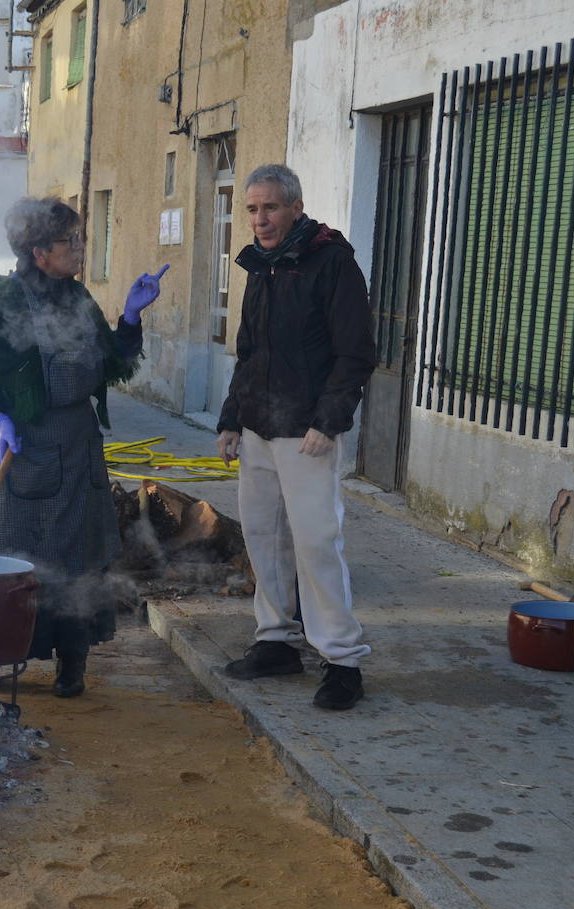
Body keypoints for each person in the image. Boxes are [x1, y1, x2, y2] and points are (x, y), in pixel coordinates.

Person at [0, 196, 167, 698]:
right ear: (39, 251)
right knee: (5, 559)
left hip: (76, 448)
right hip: (17, 450)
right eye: (71, 241)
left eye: (79, 238)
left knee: (76, 560)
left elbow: (111, 364)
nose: (80, 248)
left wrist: (131, 318)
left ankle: (73, 662)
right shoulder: (0, 305)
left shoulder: (79, 298)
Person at [215, 163, 377, 711]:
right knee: (263, 537)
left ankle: (343, 660)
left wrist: (328, 420)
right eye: (253, 209)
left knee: (315, 543)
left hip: (308, 430)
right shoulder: (261, 267)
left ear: (295, 207)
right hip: (260, 426)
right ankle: (276, 641)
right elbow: (249, 350)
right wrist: (231, 418)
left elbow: (355, 352)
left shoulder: (331, 261)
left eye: (271, 208)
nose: (260, 219)